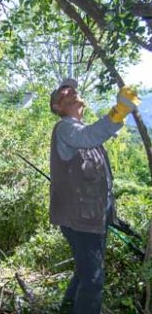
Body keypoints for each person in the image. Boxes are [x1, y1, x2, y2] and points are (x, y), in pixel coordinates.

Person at [49, 78, 140, 314]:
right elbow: (89, 136)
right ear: (58, 107)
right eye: (63, 91)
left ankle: (67, 309)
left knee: (84, 272)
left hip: (94, 218)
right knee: (94, 280)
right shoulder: (66, 128)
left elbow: (99, 173)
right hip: (80, 221)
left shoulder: (82, 131)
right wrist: (119, 111)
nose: (71, 90)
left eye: (71, 88)